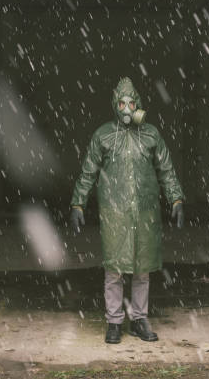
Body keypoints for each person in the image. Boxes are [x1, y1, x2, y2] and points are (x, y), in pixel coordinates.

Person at [69, 77, 185, 344]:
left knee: (142, 269)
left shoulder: (151, 134)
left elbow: (166, 169)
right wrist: (78, 203)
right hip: (115, 212)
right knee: (115, 269)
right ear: (115, 104)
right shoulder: (103, 135)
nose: (127, 109)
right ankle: (114, 321)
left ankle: (139, 320)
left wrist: (176, 199)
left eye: (131, 103)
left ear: (138, 104)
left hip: (145, 211)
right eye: (122, 103)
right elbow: (88, 171)